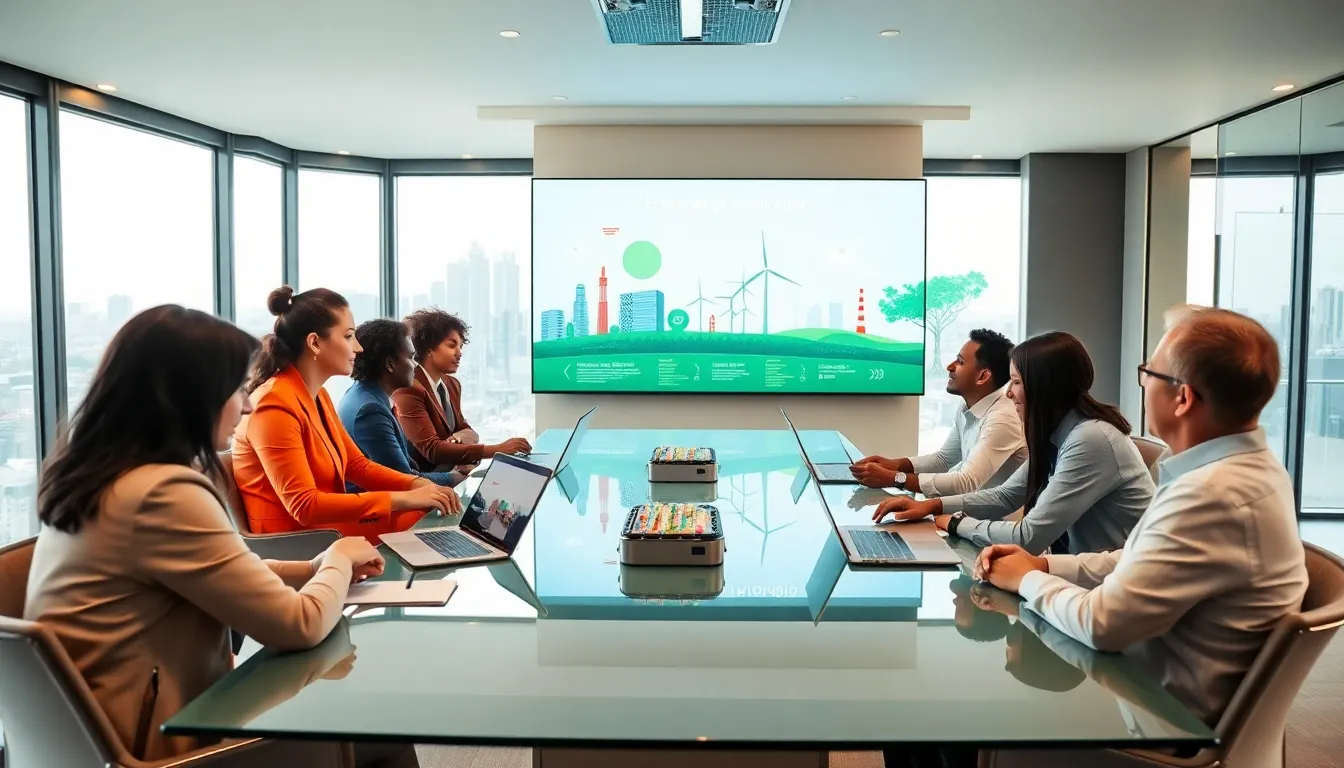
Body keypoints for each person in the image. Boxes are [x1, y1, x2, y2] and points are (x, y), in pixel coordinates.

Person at [22, 305, 402, 764]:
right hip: (163, 746)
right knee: (378, 725)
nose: (246, 405)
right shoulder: (162, 492)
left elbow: (223, 567)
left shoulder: (103, 479)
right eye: (238, 390)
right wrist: (339, 557)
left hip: (97, 739)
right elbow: (298, 626)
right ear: (192, 397)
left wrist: (311, 568)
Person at [976, 306, 1308, 725]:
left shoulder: (1210, 495)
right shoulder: (1239, 473)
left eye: (1148, 372)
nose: (1144, 382)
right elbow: (1139, 557)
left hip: (1159, 724)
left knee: (953, 725)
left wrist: (1026, 579)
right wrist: (1043, 563)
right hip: (1147, 692)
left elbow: (1102, 624)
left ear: (1182, 397)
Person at [873, 331, 1153, 555]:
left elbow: (1027, 537)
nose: (1008, 393)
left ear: (1044, 387)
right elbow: (1005, 496)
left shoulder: (1090, 439)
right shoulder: (1062, 434)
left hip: (1108, 590)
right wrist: (933, 507)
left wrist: (957, 523)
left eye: (1016, 382)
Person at [232, 287, 460, 543]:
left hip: (326, 529)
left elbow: (356, 465)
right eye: (349, 336)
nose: (358, 347)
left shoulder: (318, 396)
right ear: (315, 342)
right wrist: (405, 497)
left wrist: (415, 485)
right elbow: (304, 506)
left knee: (433, 515)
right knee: (426, 523)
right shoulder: (273, 405)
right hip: (296, 541)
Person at [852, 329, 1026, 495]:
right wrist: (893, 465)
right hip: (971, 515)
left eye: (960, 362)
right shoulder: (968, 406)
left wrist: (895, 478)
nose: (950, 367)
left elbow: (966, 482)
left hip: (996, 522)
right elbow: (944, 460)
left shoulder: (1004, 418)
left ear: (983, 377)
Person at [394, 308, 531, 470]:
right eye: (451, 346)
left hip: (453, 471)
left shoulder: (452, 384)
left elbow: (466, 429)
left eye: (460, 346)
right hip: (423, 480)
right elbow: (432, 450)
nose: (459, 353)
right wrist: (497, 450)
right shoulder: (408, 387)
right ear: (429, 349)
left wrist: (457, 440)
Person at [338, 318, 463, 490]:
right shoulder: (370, 411)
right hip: (380, 510)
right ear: (390, 364)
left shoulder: (366, 394)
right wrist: (455, 477)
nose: (415, 364)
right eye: (411, 357)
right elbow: (403, 479)